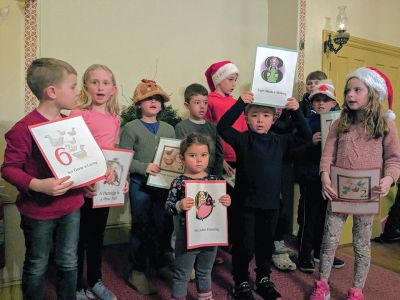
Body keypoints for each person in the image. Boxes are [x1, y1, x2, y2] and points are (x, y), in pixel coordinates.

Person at [309, 67, 400, 300]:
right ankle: (323, 285)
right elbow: (327, 155)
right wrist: (325, 176)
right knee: (329, 241)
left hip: (368, 195)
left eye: (357, 90)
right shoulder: (340, 122)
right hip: (337, 192)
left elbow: (393, 159)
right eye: (348, 90)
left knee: (361, 245)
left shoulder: (386, 125)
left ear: (372, 93)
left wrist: (389, 179)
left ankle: (357, 290)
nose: (350, 95)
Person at [1, 58, 83, 299]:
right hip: (38, 212)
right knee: (37, 264)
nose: (78, 92)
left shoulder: (71, 123)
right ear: (52, 92)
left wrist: (92, 178)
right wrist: (38, 185)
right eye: (73, 86)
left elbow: (79, 161)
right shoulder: (23, 128)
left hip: (72, 206)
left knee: (69, 261)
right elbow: (9, 168)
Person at [217, 92, 311, 300]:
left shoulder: (281, 141)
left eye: (266, 115)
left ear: (274, 118)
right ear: (247, 118)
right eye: (255, 115)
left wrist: (296, 111)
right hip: (245, 204)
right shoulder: (242, 139)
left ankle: (263, 279)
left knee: (265, 243)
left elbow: (306, 135)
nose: (260, 120)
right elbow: (222, 127)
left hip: (270, 204)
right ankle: (241, 281)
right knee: (245, 244)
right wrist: (241, 103)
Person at [119, 79, 175, 295]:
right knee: (141, 227)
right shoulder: (130, 128)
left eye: (157, 99)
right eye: (148, 99)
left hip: (163, 188)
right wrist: (144, 167)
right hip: (139, 186)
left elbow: (176, 157)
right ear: (138, 105)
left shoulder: (169, 128)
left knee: (162, 226)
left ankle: (159, 264)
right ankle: (138, 270)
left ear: (162, 105)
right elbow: (124, 160)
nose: (153, 102)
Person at [70, 64, 121, 300]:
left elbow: (114, 155)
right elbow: (74, 152)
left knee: (96, 236)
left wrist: (120, 181)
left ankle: (95, 280)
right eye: (94, 82)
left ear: (113, 89)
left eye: (105, 82)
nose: (100, 87)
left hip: (104, 189)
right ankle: (77, 285)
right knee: (77, 238)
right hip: (82, 187)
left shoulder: (114, 119)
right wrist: (82, 181)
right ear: (85, 86)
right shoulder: (78, 115)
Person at [165, 133, 231, 300]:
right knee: (182, 274)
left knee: (205, 271)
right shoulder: (178, 182)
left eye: (203, 155)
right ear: (182, 158)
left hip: (209, 237)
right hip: (186, 238)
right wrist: (179, 205)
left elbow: (217, 208)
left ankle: (205, 297)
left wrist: (225, 201)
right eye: (192, 155)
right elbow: (168, 207)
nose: (199, 160)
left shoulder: (214, 180)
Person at [293, 80, 344, 274]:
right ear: (312, 103)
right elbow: (294, 151)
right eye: (317, 100)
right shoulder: (306, 122)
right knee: (309, 217)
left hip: (332, 178)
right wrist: (311, 143)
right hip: (311, 177)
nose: (321, 104)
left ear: (333, 103)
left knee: (327, 217)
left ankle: (322, 252)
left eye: (326, 100)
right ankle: (305, 254)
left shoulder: (341, 123)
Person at [204, 60, 247, 261]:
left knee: (236, 203)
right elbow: (208, 133)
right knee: (220, 203)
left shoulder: (235, 102)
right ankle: (216, 245)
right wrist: (219, 160)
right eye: (230, 79)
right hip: (223, 161)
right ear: (219, 79)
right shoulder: (210, 101)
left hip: (240, 159)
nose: (234, 84)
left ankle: (230, 242)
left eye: (235, 80)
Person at [175, 83, 223, 178]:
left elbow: (219, 155)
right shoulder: (181, 127)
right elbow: (179, 155)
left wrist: (216, 178)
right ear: (187, 105)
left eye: (205, 102)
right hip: (189, 178)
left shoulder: (213, 128)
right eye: (197, 102)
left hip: (211, 177)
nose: (202, 106)